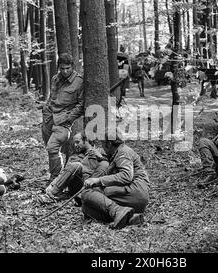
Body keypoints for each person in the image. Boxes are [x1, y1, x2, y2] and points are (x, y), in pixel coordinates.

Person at [81, 130, 150, 229]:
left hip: (134, 191)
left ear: (109, 143)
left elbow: (126, 175)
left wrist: (98, 180)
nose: (102, 147)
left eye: (103, 144)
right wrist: (101, 159)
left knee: (87, 193)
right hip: (134, 196)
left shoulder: (123, 152)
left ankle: (118, 211)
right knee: (87, 207)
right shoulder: (119, 152)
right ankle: (130, 218)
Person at [42, 53, 84, 183]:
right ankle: (54, 176)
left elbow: (81, 104)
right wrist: (46, 109)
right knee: (51, 150)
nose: (65, 71)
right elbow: (52, 97)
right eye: (62, 68)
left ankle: (56, 179)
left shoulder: (79, 81)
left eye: (68, 68)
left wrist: (69, 118)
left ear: (73, 66)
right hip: (49, 118)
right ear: (59, 67)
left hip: (63, 120)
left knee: (52, 147)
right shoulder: (56, 78)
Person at [45, 131, 109, 204]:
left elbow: (111, 166)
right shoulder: (73, 157)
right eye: (74, 143)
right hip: (78, 186)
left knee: (104, 164)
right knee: (76, 165)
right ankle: (52, 192)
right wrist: (52, 185)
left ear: (86, 140)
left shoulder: (101, 151)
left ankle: (86, 196)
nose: (75, 145)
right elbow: (63, 174)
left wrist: (100, 157)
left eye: (78, 142)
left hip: (93, 185)